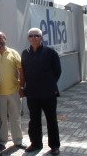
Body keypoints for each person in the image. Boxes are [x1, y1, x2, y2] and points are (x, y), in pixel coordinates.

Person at [20, 28, 61, 156]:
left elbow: (57, 71)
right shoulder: (25, 53)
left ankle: (54, 146)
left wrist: (49, 84)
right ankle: (36, 143)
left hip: (48, 93)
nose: (34, 38)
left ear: (41, 38)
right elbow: (23, 73)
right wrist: (22, 88)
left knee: (51, 120)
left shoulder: (50, 52)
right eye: (31, 36)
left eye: (36, 35)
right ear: (28, 38)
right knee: (34, 120)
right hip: (32, 94)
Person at [0, 31, 27, 150]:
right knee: (2, 119)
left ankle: (18, 141)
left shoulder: (13, 53)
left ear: (5, 38)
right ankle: (2, 141)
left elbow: (21, 71)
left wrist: (22, 87)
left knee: (15, 117)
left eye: (1, 38)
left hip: (14, 92)